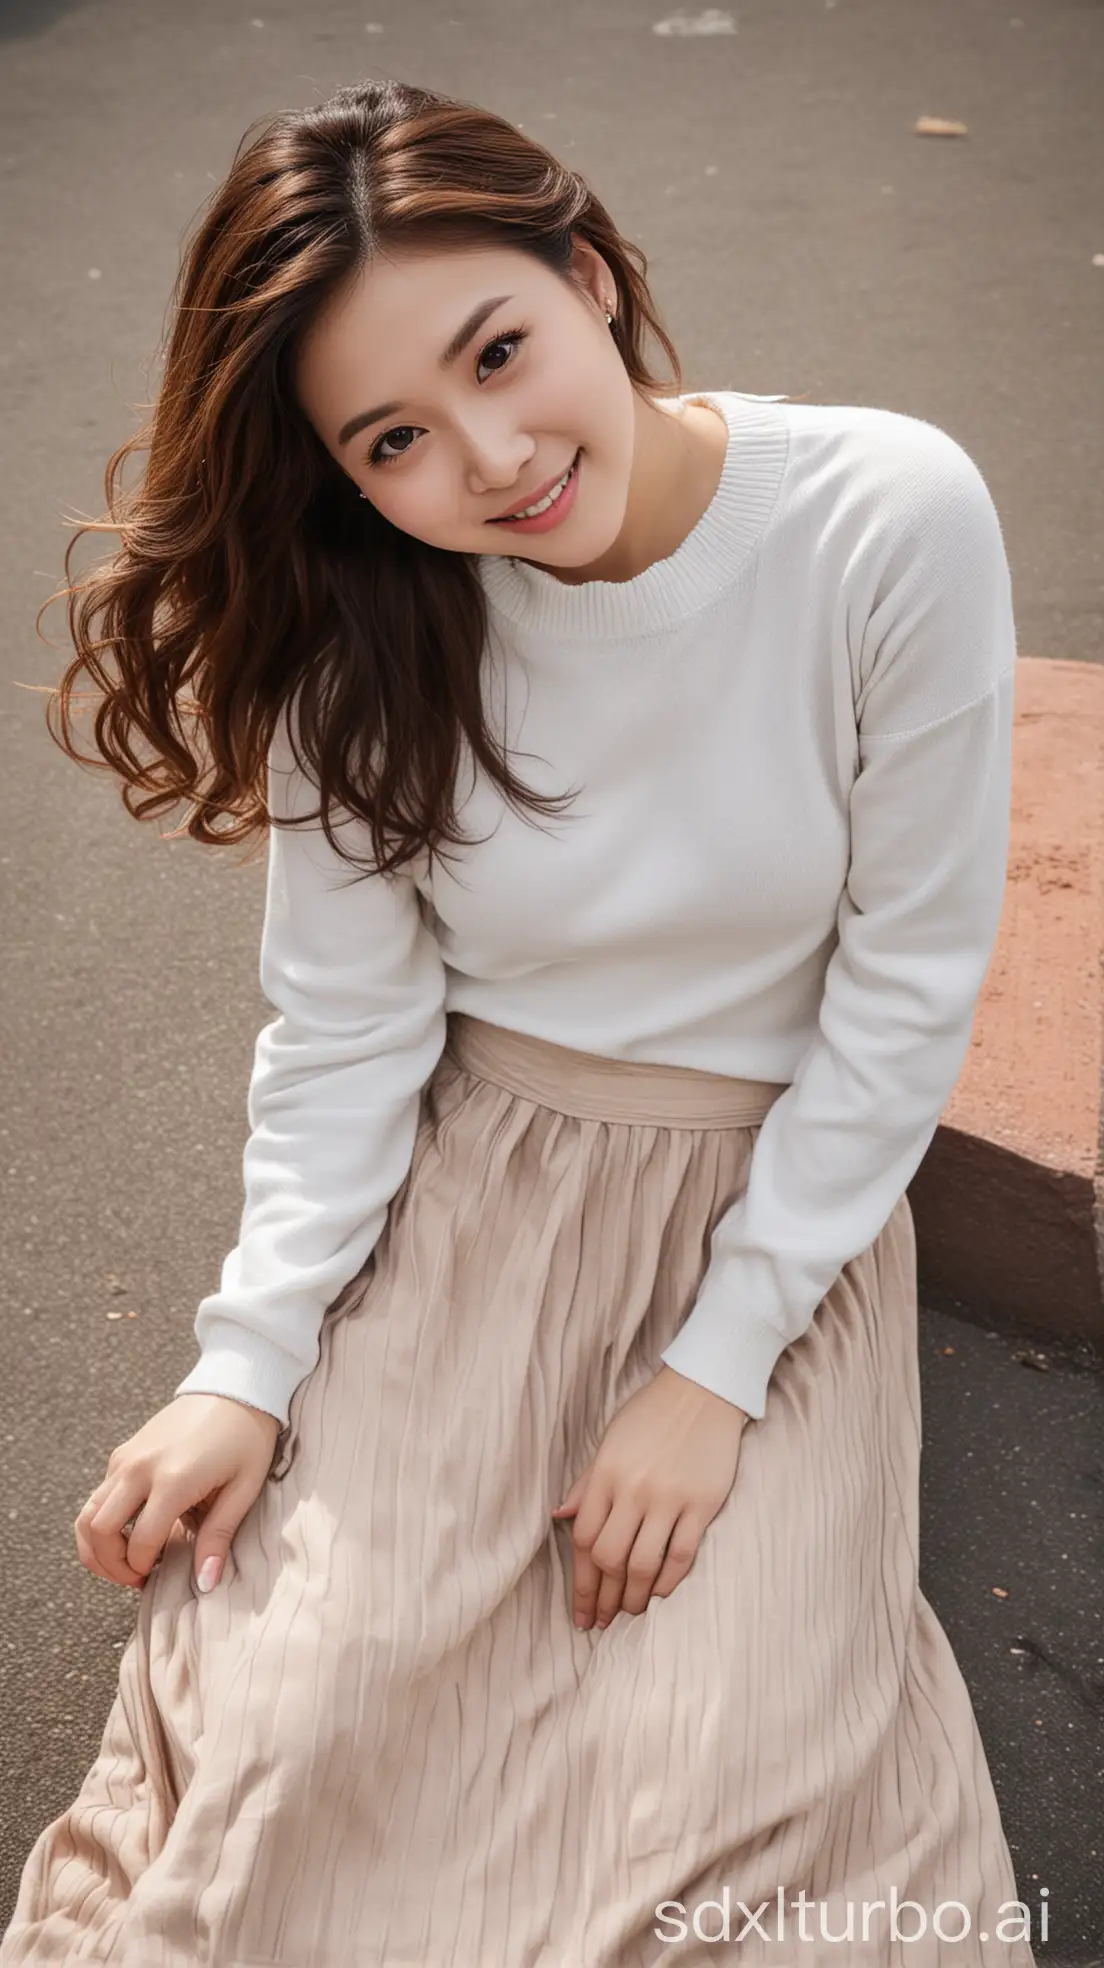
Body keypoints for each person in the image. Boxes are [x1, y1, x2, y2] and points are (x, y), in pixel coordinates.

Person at [1, 74, 1037, 1968]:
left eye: (503, 348)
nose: (489, 455)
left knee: (735, 1801)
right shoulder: (365, 628)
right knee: (310, 1743)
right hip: (477, 1183)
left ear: (586, 268)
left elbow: (901, 994)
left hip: (773, 1198)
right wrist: (248, 1361)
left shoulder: (886, 514)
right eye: (395, 435)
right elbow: (343, 1033)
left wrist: (714, 1378)